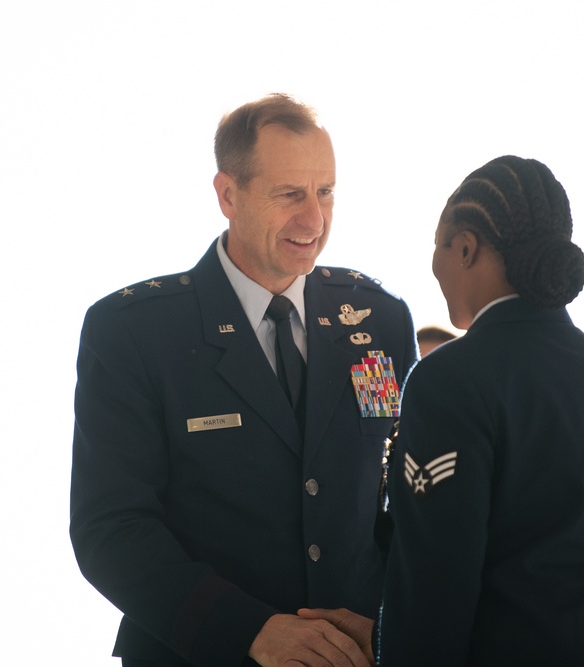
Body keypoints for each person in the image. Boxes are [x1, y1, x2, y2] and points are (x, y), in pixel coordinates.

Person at [69, 93, 417, 667]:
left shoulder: (377, 320)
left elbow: (402, 501)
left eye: (325, 192)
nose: (314, 219)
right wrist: (249, 631)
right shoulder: (135, 332)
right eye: (289, 195)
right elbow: (111, 528)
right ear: (228, 195)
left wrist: (383, 619)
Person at [306, 155, 584, 665]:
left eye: (438, 246)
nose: (434, 264)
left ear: (466, 247)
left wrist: (391, 646)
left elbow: (435, 583)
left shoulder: (447, 380)